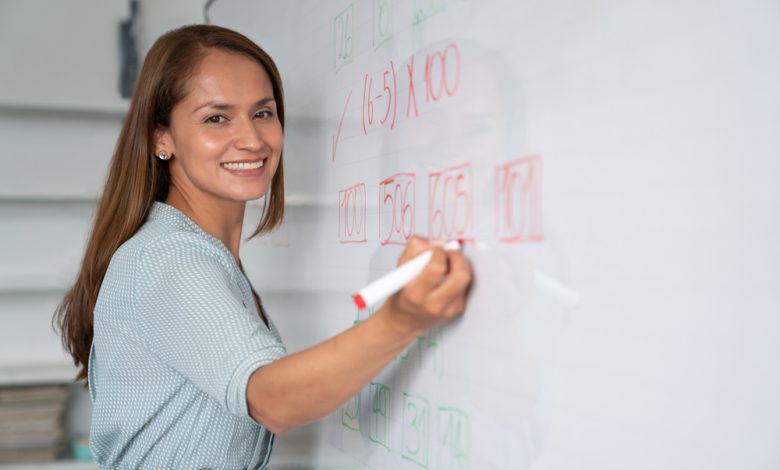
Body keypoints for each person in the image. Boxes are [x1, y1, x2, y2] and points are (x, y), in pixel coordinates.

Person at [54, 24, 472, 469]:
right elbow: (272, 401)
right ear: (162, 138)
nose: (252, 140)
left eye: (263, 113)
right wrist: (402, 320)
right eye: (216, 117)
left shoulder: (204, 256)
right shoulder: (169, 258)